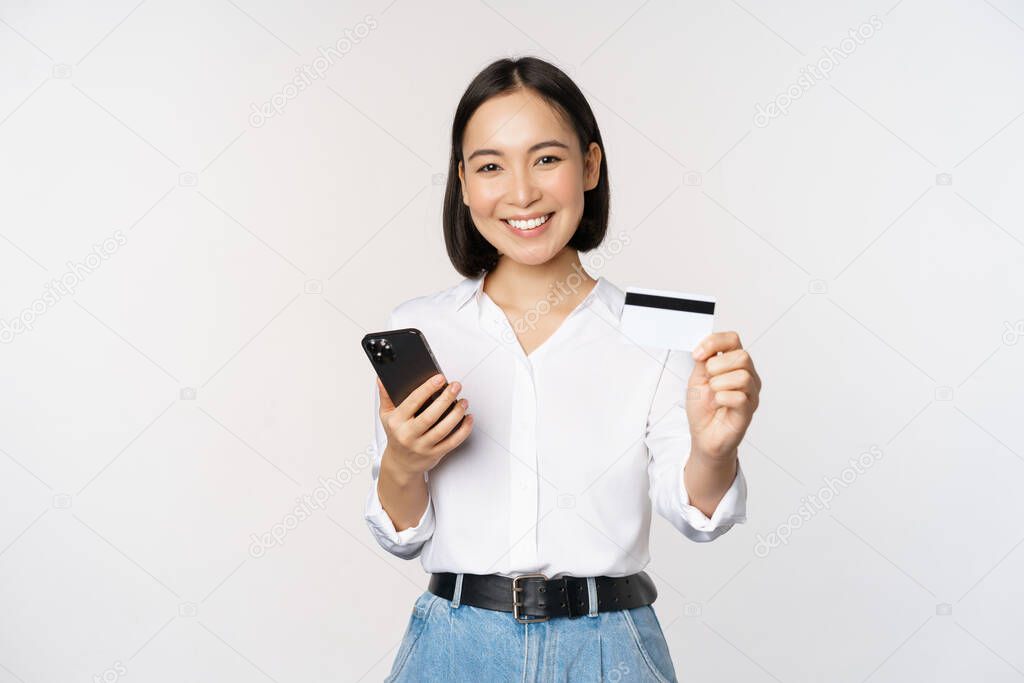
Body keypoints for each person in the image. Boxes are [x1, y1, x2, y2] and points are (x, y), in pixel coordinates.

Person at [365, 56, 762, 682]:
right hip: (455, 648)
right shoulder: (421, 328)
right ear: (464, 183)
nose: (521, 193)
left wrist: (717, 450)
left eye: (546, 158)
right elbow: (402, 534)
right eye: (492, 166)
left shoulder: (659, 332)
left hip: (611, 649)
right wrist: (402, 462)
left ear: (590, 167)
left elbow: (697, 514)